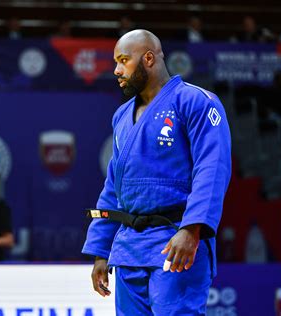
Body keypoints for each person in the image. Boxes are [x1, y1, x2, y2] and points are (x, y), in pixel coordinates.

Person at [82, 30, 231, 315]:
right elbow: (115, 184)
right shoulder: (122, 115)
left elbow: (212, 170)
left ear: (148, 58)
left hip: (175, 240)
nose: (116, 70)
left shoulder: (197, 102)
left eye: (124, 60)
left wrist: (192, 228)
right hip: (129, 246)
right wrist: (101, 249)